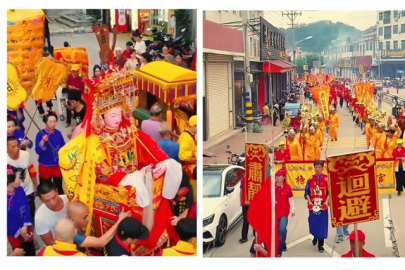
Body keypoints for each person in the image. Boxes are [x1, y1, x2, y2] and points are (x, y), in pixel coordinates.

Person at [7, 137, 39, 247]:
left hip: (28, 191)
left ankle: (31, 236)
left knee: (30, 215)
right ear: (6, 148)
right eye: (13, 147)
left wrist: (36, 185)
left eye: (18, 145)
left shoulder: (26, 154)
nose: (17, 148)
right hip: (13, 196)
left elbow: (31, 169)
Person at [7, 165, 36, 256]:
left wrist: (26, 226)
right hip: (13, 232)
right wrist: (20, 232)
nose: (20, 180)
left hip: (25, 227)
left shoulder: (20, 189)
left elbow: (26, 206)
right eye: (17, 178)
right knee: (20, 253)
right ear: (9, 181)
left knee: (30, 250)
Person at [35, 112, 66, 194]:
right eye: (50, 122)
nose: (53, 124)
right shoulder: (40, 134)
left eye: (54, 121)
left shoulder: (58, 133)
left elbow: (63, 146)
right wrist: (43, 141)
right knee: (45, 188)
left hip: (56, 164)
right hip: (45, 165)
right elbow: (38, 151)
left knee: (59, 186)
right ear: (46, 122)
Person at [304, 160, 329, 253]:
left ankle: (320, 244)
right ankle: (314, 235)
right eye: (316, 167)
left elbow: (329, 192)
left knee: (322, 224)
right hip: (313, 205)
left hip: (323, 205)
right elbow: (306, 191)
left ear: (322, 168)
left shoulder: (326, 179)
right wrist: (309, 201)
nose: (317, 169)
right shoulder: (310, 179)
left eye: (319, 167)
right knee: (313, 222)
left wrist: (327, 202)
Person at [35, 181, 69, 246]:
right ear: (41, 200)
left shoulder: (69, 200)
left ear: (57, 191)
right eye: (47, 200)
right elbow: (49, 242)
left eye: (54, 197)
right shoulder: (40, 218)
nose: (52, 202)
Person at [275, 168, 295, 257]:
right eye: (277, 175)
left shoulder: (287, 187)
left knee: (282, 229)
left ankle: (281, 245)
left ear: (283, 177)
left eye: (279, 176)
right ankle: (281, 243)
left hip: (284, 212)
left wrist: (293, 210)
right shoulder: (272, 187)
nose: (278, 177)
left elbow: (291, 199)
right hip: (274, 213)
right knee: (277, 230)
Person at [178, 115, 197, 196]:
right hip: (189, 170)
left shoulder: (190, 134)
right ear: (194, 126)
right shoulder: (186, 137)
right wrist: (194, 154)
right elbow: (181, 155)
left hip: (192, 169)